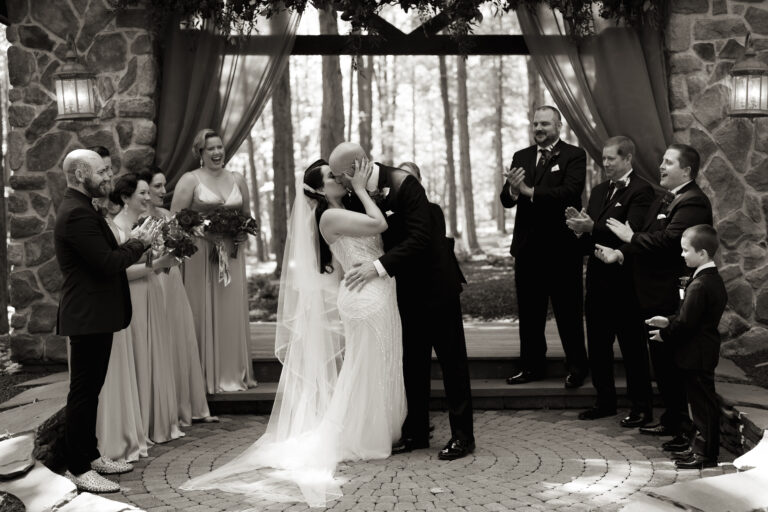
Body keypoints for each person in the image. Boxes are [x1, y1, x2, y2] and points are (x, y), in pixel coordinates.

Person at [181, 158, 406, 507]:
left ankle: (380, 427)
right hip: (364, 296)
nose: (340, 179)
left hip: (377, 290)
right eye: (332, 177)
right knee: (366, 365)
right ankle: (364, 435)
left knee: (381, 361)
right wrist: (362, 188)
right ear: (318, 189)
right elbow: (378, 223)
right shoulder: (329, 216)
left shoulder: (342, 206)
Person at [333, 143, 474, 461]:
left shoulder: (403, 183)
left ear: (354, 168)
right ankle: (417, 433)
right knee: (413, 363)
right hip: (403, 290)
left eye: (341, 175)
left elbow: (421, 238)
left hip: (437, 285)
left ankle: (463, 437)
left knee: (452, 363)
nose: (339, 182)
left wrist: (377, 266)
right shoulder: (355, 195)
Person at [595, 143, 713, 451]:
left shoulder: (693, 202)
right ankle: (673, 419)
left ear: (686, 170)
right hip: (648, 295)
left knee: (673, 364)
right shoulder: (666, 197)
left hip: (667, 296)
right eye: (661, 161)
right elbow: (644, 237)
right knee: (661, 365)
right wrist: (620, 254)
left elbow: (669, 240)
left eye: (668, 162)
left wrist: (630, 238)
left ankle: (684, 429)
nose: (661, 166)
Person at [54, 149, 155, 493]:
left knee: (91, 390)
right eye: (101, 172)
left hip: (95, 314)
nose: (108, 178)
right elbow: (107, 263)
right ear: (81, 173)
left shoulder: (83, 207)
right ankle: (78, 468)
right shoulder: (76, 214)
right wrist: (140, 242)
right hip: (86, 315)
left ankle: (91, 454)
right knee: (83, 393)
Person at [565, 136, 655, 427]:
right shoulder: (599, 190)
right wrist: (580, 231)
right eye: (603, 158)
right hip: (597, 282)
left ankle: (641, 407)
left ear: (627, 158)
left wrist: (593, 227)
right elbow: (593, 237)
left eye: (610, 158)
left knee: (633, 350)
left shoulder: (642, 191)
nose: (604, 163)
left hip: (626, 284)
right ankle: (604, 402)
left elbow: (632, 232)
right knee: (599, 348)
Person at [500, 106, 588, 388]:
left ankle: (576, 367)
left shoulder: (574, 155)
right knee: (530, 313)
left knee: (568, 312)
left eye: (545, 124)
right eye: (535, 124)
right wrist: (513, 190)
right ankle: (531, 367)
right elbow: (506, 199)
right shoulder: (521, 156)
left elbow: (570, 192)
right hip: (528, 250)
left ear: (558, 126)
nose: (539, 128)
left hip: (562, 249)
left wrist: (530, 191)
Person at [171, 129, 256, 393]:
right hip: (201, 254)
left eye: (220, 147)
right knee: (201, 309)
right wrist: (203, 231)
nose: (218, 152)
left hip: (231, 255)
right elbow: (175, 221)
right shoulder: (190, 180)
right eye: (211, 149)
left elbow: (247, 216)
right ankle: (203, 376)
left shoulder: (238, 178)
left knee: (231, 312)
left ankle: (233, 371)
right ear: (200, 153)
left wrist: (242, 231)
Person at [110, 174, 185, 444]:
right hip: (133, 296)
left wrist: (166, 259)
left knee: (153, 353)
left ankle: (154, 421)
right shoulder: (118, 228)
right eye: (141, 193)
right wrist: (157, 263)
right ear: (124, 198)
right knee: (141, 354)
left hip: (150, 293)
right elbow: (122, 272)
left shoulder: (140, 224)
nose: (146, 198)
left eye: (146, 192)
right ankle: (140, 423)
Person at [139, 168, 217, 425]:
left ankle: (188, 404)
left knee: (180, 338)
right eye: (158, 186)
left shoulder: (165, 215)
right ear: (145, 190)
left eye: (163, 186)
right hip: (154, 280)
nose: (163, 191)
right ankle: (165, 408)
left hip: (173, 281)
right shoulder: (136, 219)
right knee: (162, 340)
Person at [647, 225, 727, 470]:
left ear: (702, 253)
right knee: (701, 404)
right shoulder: (709, 278)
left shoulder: (700, 284)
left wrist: (664, 334)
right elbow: (689, 316)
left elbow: (687, 324)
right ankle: (699, 449)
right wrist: (668, 320)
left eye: (685, 250)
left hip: (697, 353)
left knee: (703, 406)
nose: (682, 255)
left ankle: (705, 455)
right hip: (700, 351)